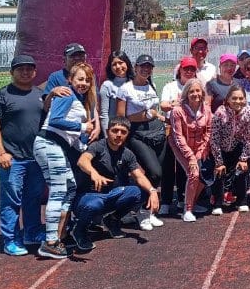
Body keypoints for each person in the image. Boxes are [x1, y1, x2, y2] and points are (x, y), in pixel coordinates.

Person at [33, 62, 96, 259]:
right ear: (70, 79)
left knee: (69, 188)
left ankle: (59, 234)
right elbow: (55, 120)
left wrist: (84, 145)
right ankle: (50, 242)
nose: (84, 83)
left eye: (87, 80)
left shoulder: (78, 98)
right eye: (80, 79)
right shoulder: (66, 94)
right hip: (49, 143)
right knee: (59, 191)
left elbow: (71, 136)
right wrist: (82, 127)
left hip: (57, 145)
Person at [71, 117, 160, 251]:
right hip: (86, 197)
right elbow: (82, 161)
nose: (119, 134)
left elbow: (139, 176)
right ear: (108, 131)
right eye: (115, 130)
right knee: (95, 204)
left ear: (127, 134)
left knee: (142, 192)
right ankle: (79, 230)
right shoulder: (98, 146)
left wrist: (153, 191)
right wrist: (94, 173)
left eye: (123, 132)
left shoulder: (127, 154)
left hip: (109, 195)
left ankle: (112, 220)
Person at [0, 55, 45, 256]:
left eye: (29, 68)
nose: (25, 72)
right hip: (13, 159)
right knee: (11, 200)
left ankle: (32, 232)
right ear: (12, 72)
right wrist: (1, 153)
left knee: (33, 198)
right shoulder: (1, 95)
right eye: (20, 69)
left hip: (36, 158)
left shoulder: (41, 95)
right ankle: (10, 239)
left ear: (34, 72)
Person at [116, 54, 166, 231]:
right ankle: (141, 211)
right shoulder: (125, 89)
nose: (146, 69)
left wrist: (156, 116)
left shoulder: (151, 85)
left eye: (149, 66)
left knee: (157, 176)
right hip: (138, 134)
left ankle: (148, 211)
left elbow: (153, 109)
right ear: (135, 67)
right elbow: (121, 117)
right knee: (154, 172)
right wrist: (146, 115)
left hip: (157, 132)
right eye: (142, 66)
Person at [169, 78, 213, 221]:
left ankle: (192, 202)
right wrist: (191, 157)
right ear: (186, 93)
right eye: (191, 91)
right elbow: (178, 137)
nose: (195, 94)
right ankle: (187, 210)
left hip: (199, 147)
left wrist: (201, 151)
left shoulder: (206, 109)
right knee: (193, 173)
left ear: (202, 92)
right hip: (181, 148)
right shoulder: (177, 111)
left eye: (198, 91)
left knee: (203, 174)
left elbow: (209, 132)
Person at [43, 42, 101, 143]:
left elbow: (93, 103)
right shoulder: (55, 77)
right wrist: (52, 93)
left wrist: (97, 127)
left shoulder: (90, 76)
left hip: (86, 133)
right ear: (64, 60)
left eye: (81, 56)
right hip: (64, 133)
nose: (78, 59)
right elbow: (46, 108)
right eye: (73, 56)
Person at [159, 56, 197, 212]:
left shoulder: (196, 86)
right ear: (180, 70)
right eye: (186, 68)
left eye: (192, 69)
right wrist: (173, 104)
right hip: (172, 129)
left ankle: (182, 198)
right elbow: (163, 105)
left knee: (184, 166)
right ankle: (166, 202)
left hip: (188, 130)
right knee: (168, 166)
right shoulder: (170, 86)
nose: (189, 72)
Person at [210, 85, 250, 214]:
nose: (237, 101)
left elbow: (249, 136)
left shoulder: (249, 112)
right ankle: (217, 203)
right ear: (228, 99)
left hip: (237, 147)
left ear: (245, 99)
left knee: (241, 170)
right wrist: (219, 162)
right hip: (221, 148)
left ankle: (242, 201)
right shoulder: (220, 113)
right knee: (219, 173)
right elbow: (214, 138)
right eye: (234, 98)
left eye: (241, 98)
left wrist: (243, 158)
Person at [99, 51, 134, 133]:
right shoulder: (107, 85)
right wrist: (107, 136)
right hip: (116, 132)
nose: (118, 66)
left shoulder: (135, 83)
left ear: (127, 63)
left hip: (134, 130)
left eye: (121, 63)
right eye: (114, 64)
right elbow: (104, 115)